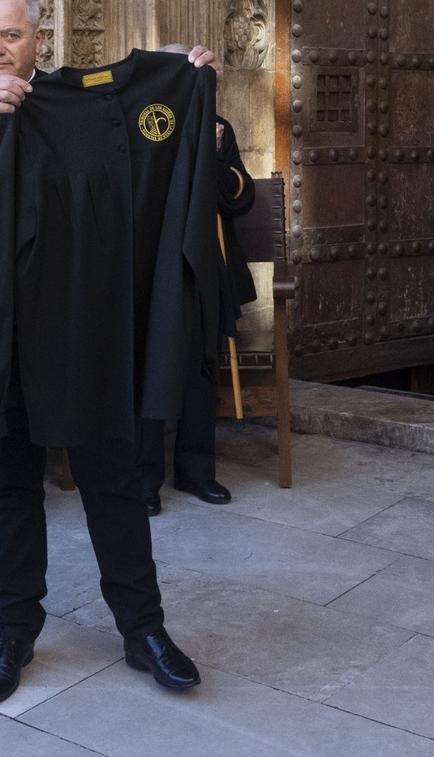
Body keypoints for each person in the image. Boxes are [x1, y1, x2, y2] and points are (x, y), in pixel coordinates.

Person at [0, 0, 214, 704]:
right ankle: (14, 628)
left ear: (39, 40)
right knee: (10, 487)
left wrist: (184, 78)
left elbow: (143, 147)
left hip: (81, 331)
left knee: (114, 480)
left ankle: (145, 629)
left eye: (11, 35)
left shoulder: (77, 111)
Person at [136, 44, 254, 515]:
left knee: (200, 367)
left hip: (203, 265)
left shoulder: (218, 127)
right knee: (146, 366)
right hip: (148, 267)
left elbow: (239, 199)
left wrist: (216, 155)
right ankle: (143, 477)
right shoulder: (142, 120)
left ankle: (197, 471)